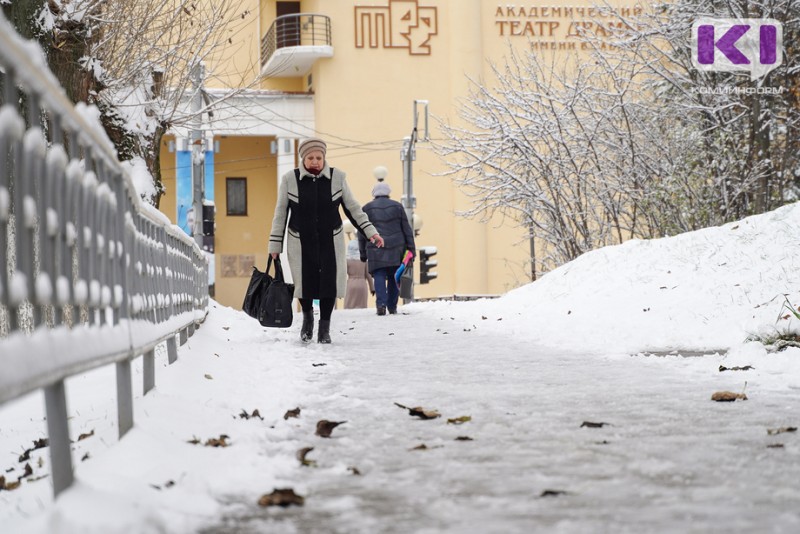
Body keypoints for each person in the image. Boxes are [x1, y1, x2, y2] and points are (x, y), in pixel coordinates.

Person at [269, 138, 384, 343]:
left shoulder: (337, 178)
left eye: (319, 158)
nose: (315, 161)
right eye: (311, 158)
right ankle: (307, 320)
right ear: (303, 159)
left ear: (324, 158)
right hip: (300, 241)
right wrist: (275, 245)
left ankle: (325, 328)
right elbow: (280, 214)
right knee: (304, 283)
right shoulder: (290, 179)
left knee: (328, 284)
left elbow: (353, 209)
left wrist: (371, 233)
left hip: (330, 240)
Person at [358, 181, 415, 315]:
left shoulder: (366, 209)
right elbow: (407, 229)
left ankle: (381, 304)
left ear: (374, 193)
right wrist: (411, 249)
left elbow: (361, 232)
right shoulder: (398, 207)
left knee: (379, 274)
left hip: (375, 247)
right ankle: (392, 306)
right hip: (396, 247)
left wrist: (363, 253)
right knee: (395, 275)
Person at [344, 239, 373, 309]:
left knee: (349, 307)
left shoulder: (347, 261)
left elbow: (343, 275)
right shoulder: (364, 260)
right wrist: (372, 288)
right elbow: (368, 275)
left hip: (350, 284)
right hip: (362, 284)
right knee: (362, 308)